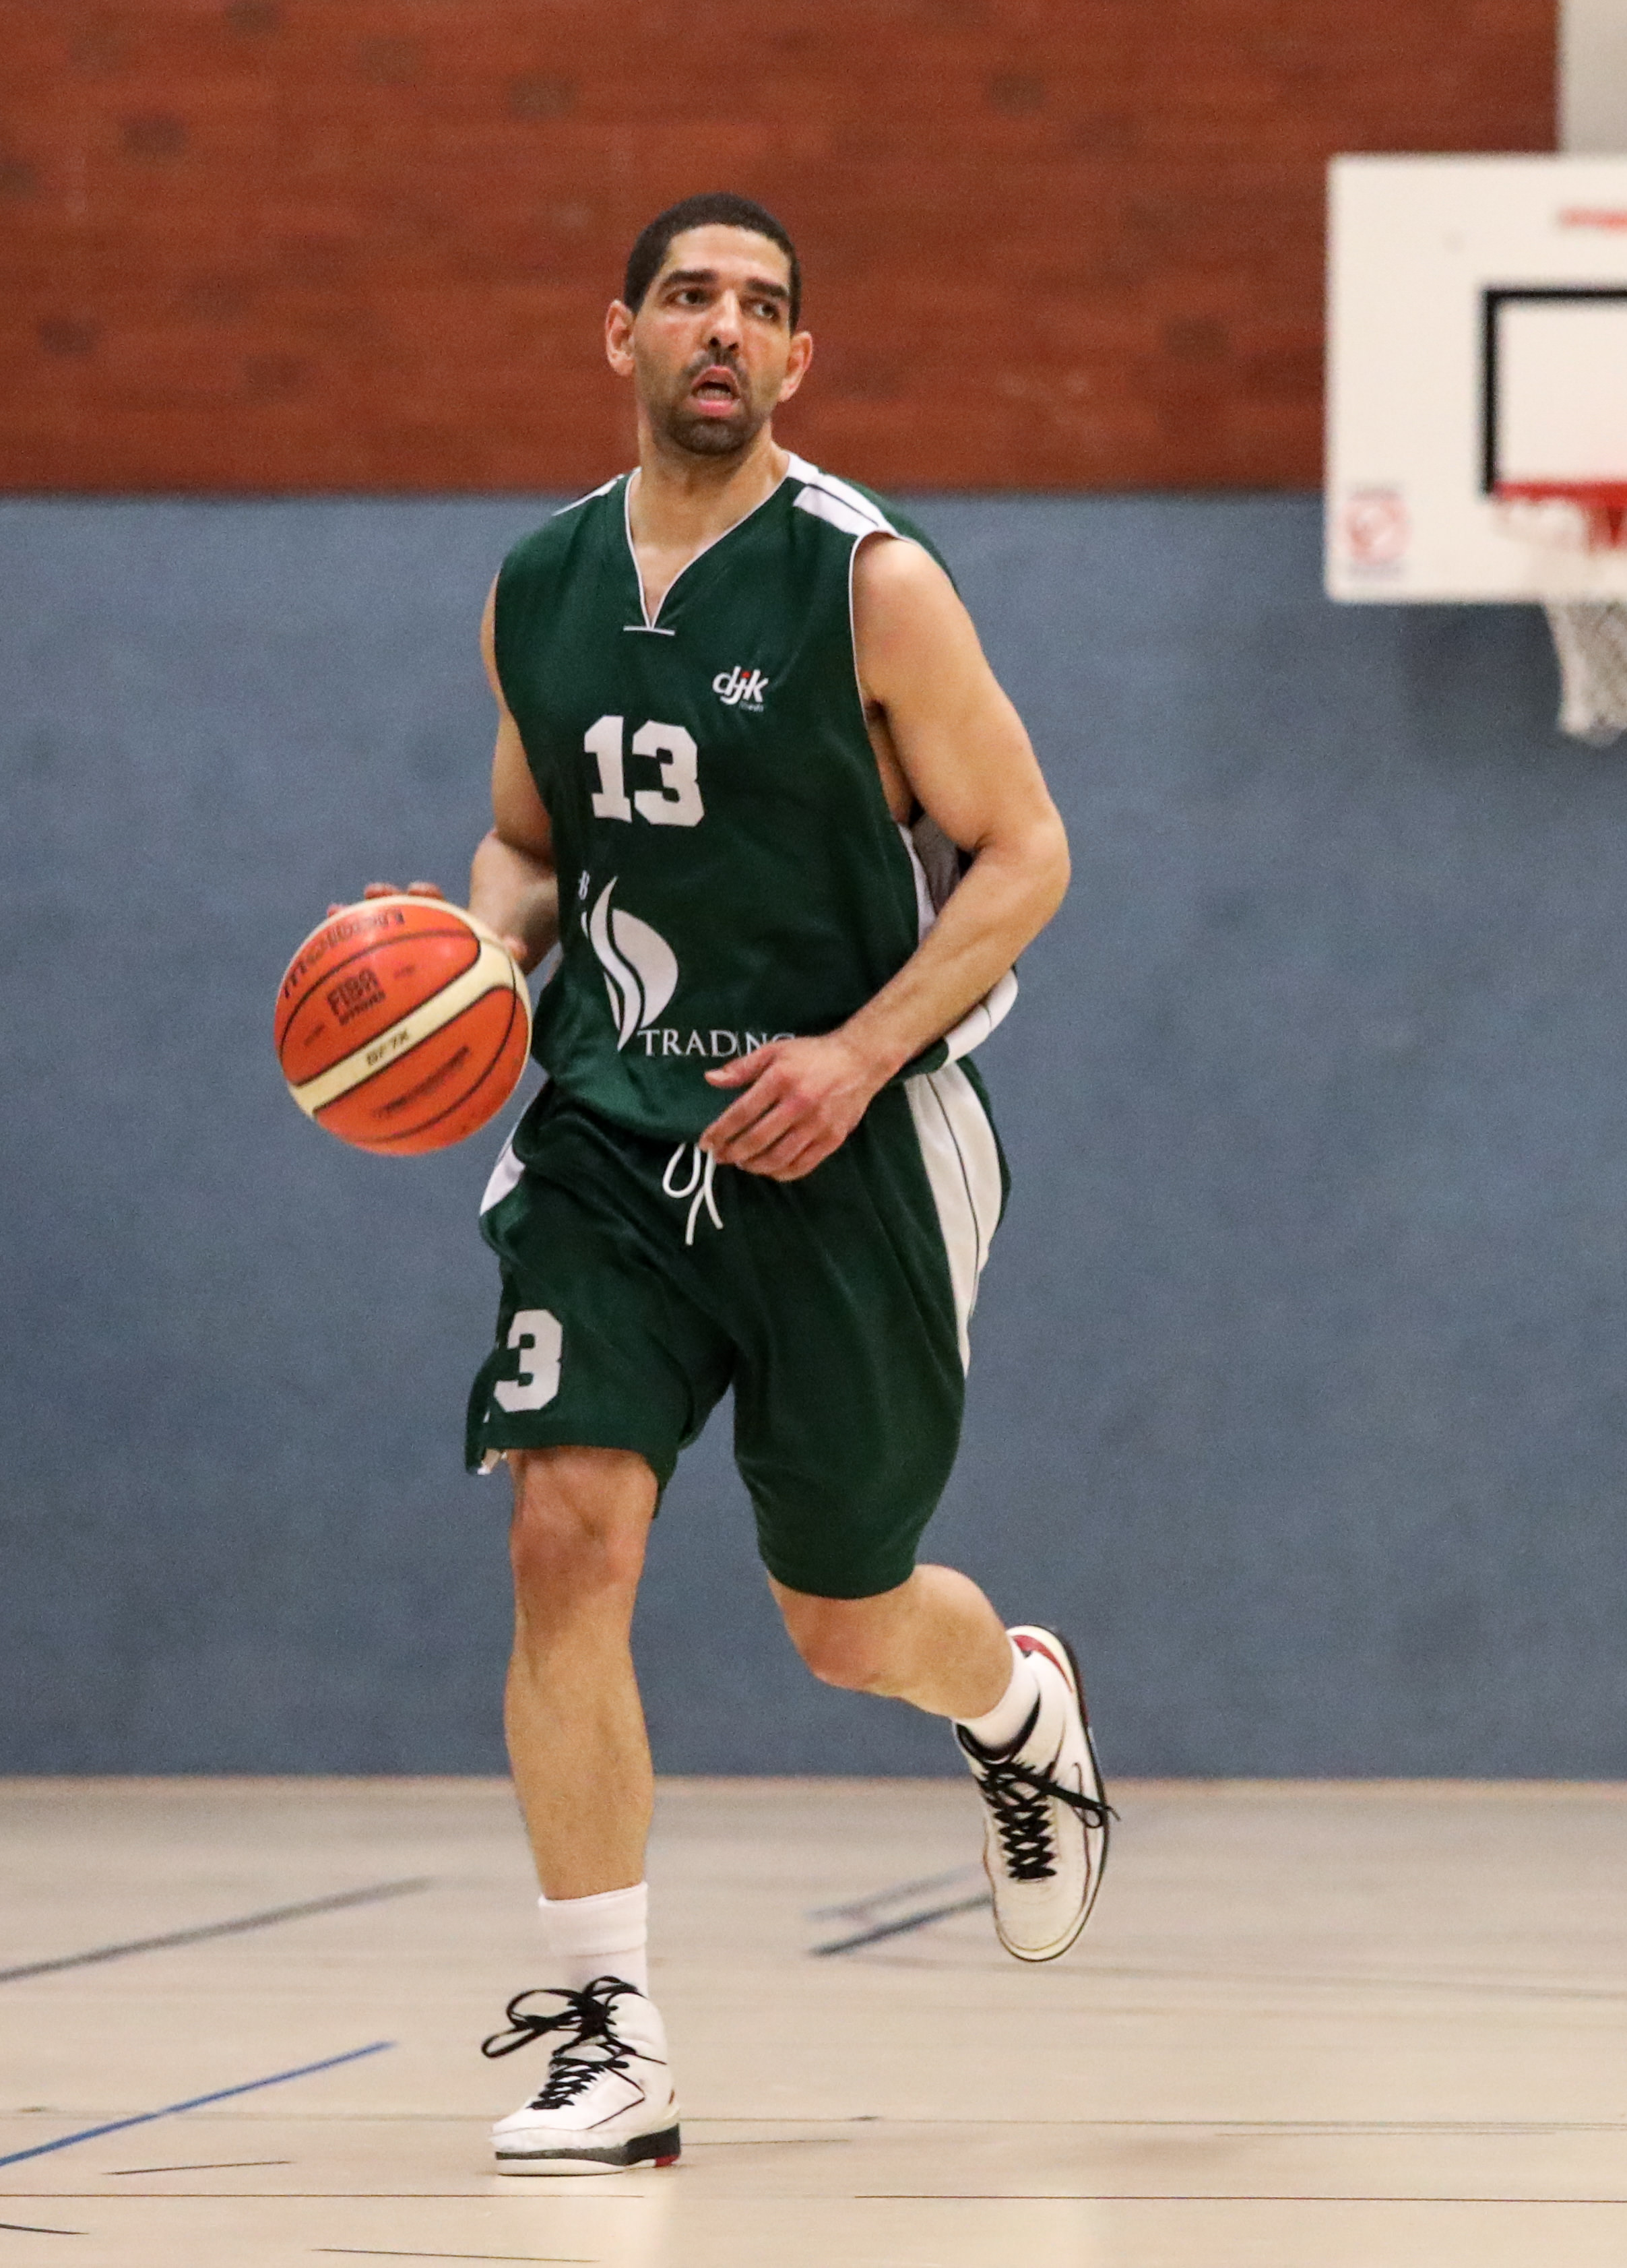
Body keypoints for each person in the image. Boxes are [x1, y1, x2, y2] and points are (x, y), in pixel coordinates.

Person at [358, 191, 1110, 2176]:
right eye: (687, 296)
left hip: (848, 1151)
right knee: (564, 1537)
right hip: (612, 1136)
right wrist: (478, 951)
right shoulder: (538, 582)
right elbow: (530, 841)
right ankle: (608, 2033)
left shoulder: (870, 581)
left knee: (843, 1622)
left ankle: (1011, 1702)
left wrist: (860, 1052)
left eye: (760, 306)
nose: (723, 327)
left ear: (797, 360)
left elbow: (1027, 852)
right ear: (618, 334)